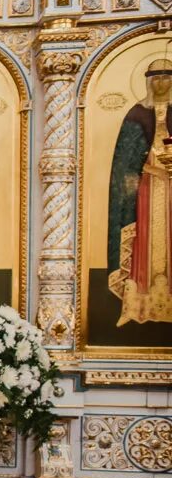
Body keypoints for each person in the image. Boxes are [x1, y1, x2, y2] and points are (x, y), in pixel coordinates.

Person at [106, 58, 172, 325]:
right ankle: (137, 306)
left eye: (166, 77)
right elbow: (125, 161)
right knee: (144, 239)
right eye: (155, 77)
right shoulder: (137, 114)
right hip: (146, 188)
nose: (161, 82)